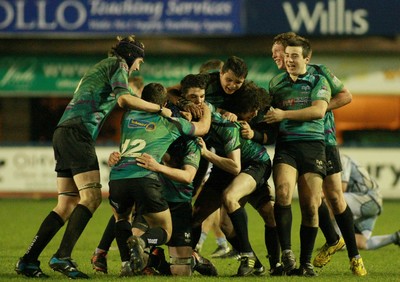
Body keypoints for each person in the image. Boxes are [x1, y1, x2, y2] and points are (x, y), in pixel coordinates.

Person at [15, 35, 173, 279]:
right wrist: (160, 109)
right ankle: (62, 257)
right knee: (91, 197)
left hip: (63, 131)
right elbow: (123, 99)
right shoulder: (118, 65)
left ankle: (28, 260)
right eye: (139, 61)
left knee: (66, 203)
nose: (139, 67)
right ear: (131, 56)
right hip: (78, 132)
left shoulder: (103, 67)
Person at [271, 32, 367, 276]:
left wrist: (317, 107)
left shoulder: (320, 74)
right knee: (309, 199)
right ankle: (330, 240)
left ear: (301, 55)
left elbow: (346, 96)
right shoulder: (278, 83)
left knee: (334, 196)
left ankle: (354, 254)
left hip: (324, 139)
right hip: (293, 142)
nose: (278, 58)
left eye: (279, 53)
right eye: (276, 55)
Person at [108, 80, 211, 276]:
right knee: (164, 230)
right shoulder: (171, 123)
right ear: (164, 105)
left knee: (121, 218)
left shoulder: (128, 115)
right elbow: (203, 128)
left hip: (118, 176)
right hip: (145, 178)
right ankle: (144, 242)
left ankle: (127, 265)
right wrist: (205, 108)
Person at [193, 81, 275, 276]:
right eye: (252, 110)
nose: (255, 114)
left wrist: (207, 154)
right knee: (209, 220)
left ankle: (256, 257)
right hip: (225, 167)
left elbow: (235, 165)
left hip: (254, 164)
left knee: (232, 198)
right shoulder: (206, 111)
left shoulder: (228, 126)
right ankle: (190, 257)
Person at [265, 36, 331, 277]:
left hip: (313, 146)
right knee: (282, 193)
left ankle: (306, 262)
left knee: (311, 206)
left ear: (306, 58)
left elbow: (319, 110)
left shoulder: (318, 80)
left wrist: (284, 115)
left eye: (295, 56)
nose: (289, 60)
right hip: (287, 146)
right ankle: (287, 253)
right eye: (287, 55)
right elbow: (268, 113)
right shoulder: (276, 83)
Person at [335, 154, 400, 250]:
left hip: (368, 198)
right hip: (375, 202)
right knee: (362, 243)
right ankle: (396, 237)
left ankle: (334, 242)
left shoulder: (341, 159)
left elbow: (342, 188)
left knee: (333, 200)